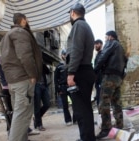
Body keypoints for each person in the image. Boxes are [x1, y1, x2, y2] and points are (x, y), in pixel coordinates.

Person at [0, 13, 43, 141]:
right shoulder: (20, 32)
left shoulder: (6, 37)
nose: (28, 21)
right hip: (23, 79)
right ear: (23, 20)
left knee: (19, 114)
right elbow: (25, 56)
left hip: (13, 81)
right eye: (27, 19)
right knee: (22, 115)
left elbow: (4, 60)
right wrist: (32, 75)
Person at [66, 3, 96, 141]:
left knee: (81, 110)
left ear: (73, 13)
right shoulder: (85, 26)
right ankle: (87, 137)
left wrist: (71, 73)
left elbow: (76, 50)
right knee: (85, 109)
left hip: (80, 71)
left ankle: (86, 138)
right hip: (85, 70)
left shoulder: (78, 26)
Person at [94, 31, 128, 139]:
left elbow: (103, 56)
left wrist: (95, 70)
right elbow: (125, 63)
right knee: (116, 103)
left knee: (104, 103)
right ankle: (119, 125)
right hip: (118, 78)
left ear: (110, 36)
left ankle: (106, 129)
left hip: (109, 76)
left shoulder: (111, 43)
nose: (105, 40)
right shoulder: (121, 48)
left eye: (105, 37)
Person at [0, 57, 40, 136]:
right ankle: (12, 133)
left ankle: (23, 131)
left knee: (18, 111)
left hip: (14, 86)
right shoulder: (4, 58)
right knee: (15, 112)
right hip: (11, 87)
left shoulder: (9, 57)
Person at [54, 50, 76, 126]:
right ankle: (68, 120)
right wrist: (58, 90)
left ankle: (75, 119)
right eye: (64, 54)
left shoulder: (71, 65)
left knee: (75, 103)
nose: (65, 56)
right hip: (62, 87)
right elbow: (55, 79)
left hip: (70, 86)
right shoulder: (59, 66)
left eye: (66, 54)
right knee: (65, 105)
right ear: (62, 56)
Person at [33, 63, 51, 131]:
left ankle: (37, 118)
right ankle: (39, 124)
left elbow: (48, 71)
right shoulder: (30, 61)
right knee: (37, 105)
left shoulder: (41, 63)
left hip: (44, 85)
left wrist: (42, 63)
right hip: (35, 85)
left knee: (47, 104)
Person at [93, 39, 103, 107]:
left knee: (101, 99)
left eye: (97, 44)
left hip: (101, 80)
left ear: (101, 44)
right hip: (98, 81)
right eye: (95, 44)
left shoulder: (102, 54)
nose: (95, 46)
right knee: (99, 99)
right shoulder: (97, 55)